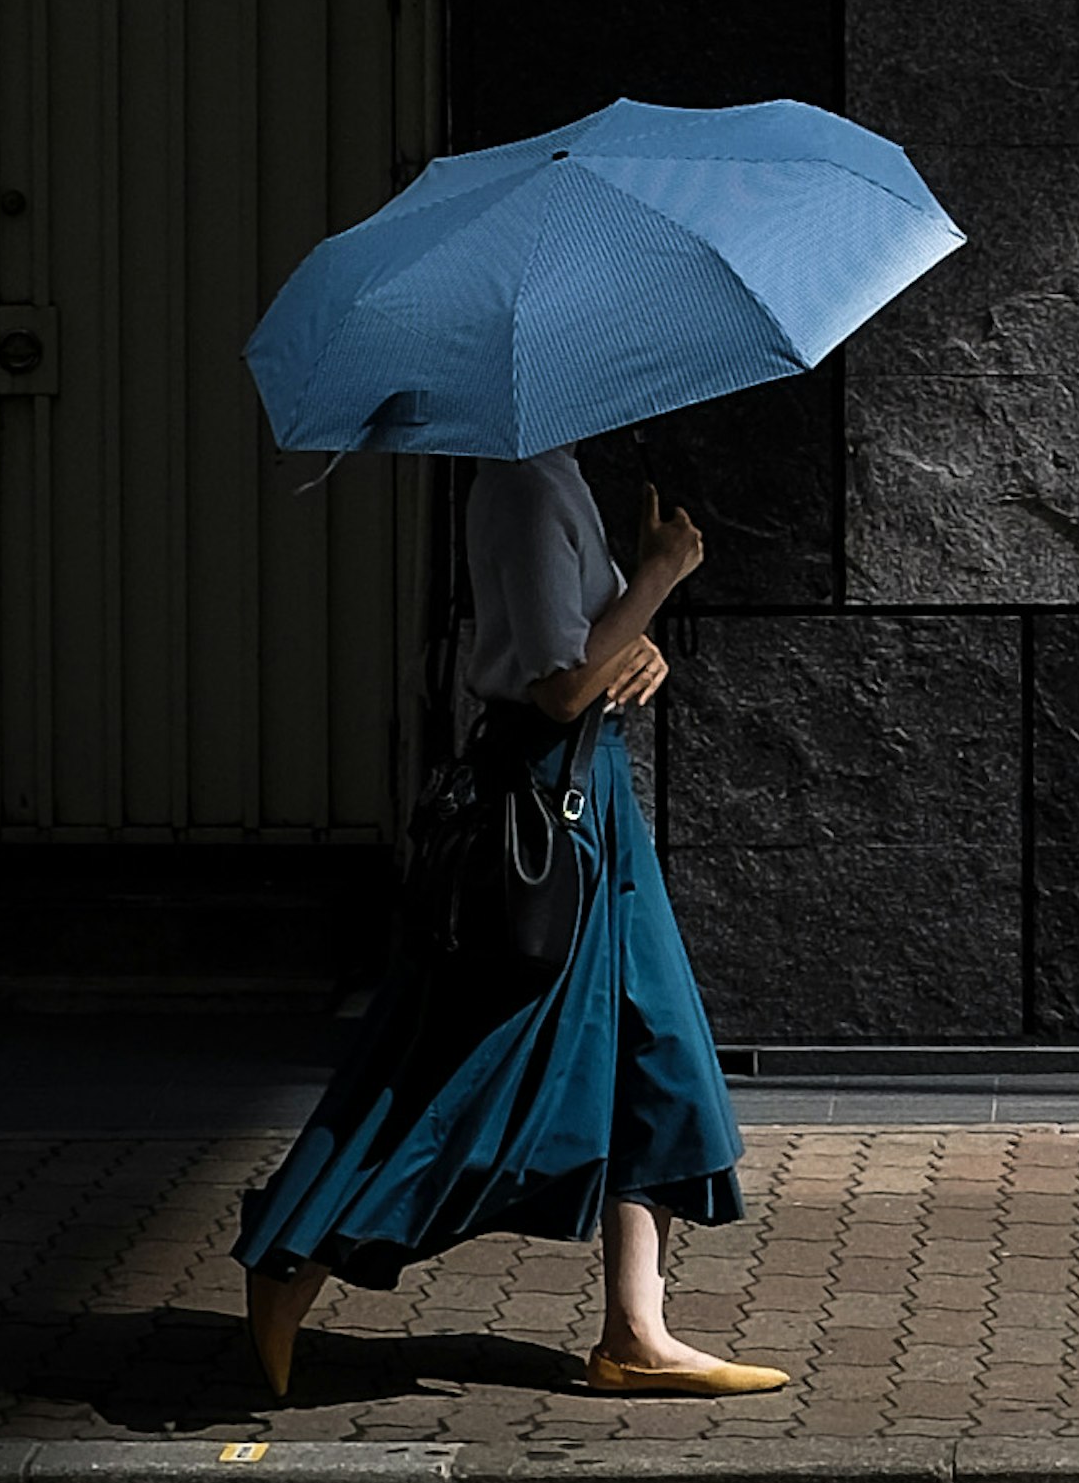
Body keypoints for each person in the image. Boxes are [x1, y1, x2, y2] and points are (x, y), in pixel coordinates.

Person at [235, 452, 784, 1406]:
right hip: (545, 809)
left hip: (589, 797)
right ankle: (293, 1255)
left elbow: (585, 652)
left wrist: (638, 637)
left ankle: (636, 1330)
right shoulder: (522, 489)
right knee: (469, 1064)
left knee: (652, 1053)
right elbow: (558, 686)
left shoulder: (551, 474)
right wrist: (659, 573)